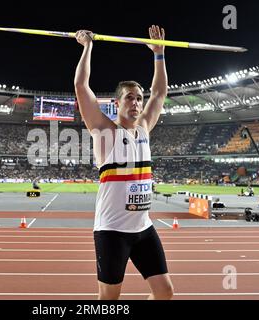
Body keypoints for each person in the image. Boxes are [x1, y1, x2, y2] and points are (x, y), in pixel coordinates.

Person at [74, 25, 173, 300]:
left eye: (139, 98)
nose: (136, 102)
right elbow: (82, 87)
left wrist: (159, 54)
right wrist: (88, 47)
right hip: (112, 231)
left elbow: (160, 93)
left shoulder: (143, 129)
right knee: (108, 300)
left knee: (165, 292)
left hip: (143, 228)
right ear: (116, 103)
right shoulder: (105, 132)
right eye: (129, 97)